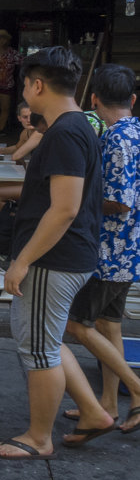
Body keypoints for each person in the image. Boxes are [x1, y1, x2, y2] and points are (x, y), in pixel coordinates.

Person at [0, 46, 103, 460]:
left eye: (25, 85)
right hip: (66, 255)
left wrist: (23, 260)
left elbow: (65, 208)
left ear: (37, 86)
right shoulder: (76, 125)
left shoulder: (65, 132)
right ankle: (93, 412)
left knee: (38, 348)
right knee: (48, 341)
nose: (25, 92)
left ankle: (38, 437)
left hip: (55, 258)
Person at [60, 64, 140, 438]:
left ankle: (135, 387)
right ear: (133, 100)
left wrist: (81, 198)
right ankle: (108, 402)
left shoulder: (114, 139)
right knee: (109, 325)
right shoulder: (136, 131)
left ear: (93, 100)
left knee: (78, 325)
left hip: (110, 251)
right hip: (130, 250)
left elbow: (118, 202)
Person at [0, 103, 43, 213]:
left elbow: (17, 155)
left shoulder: (39, 132)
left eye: (32, 116)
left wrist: (19, 161)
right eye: (25, 117)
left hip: (43, 185)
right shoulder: (26, 133)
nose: (29, 120)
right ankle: (13, 222)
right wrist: (1, 150)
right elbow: (17, 147)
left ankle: (16, 225)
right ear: (19, 118)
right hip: (33, 179)